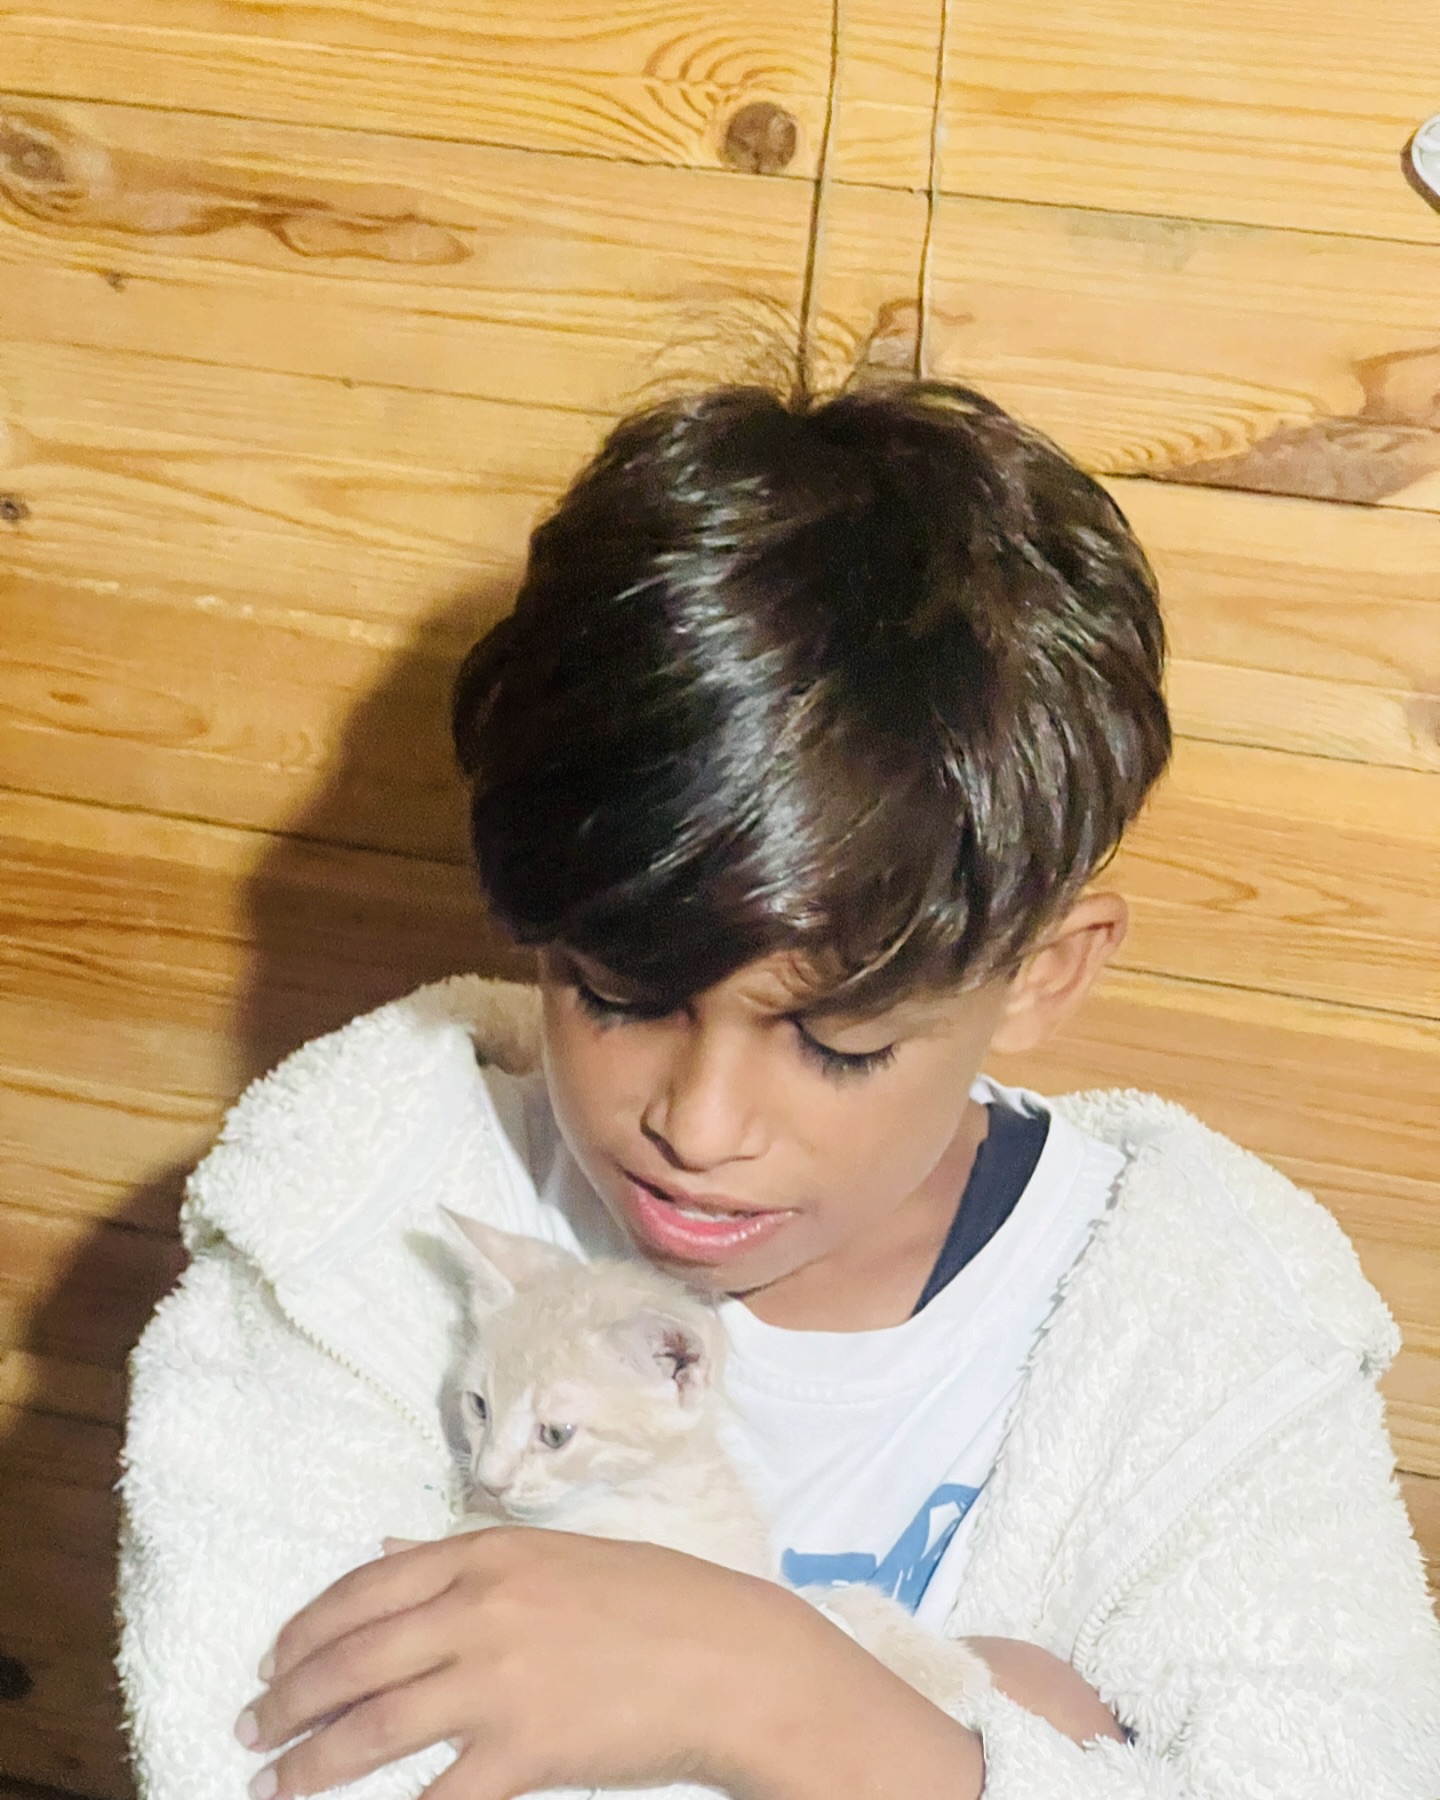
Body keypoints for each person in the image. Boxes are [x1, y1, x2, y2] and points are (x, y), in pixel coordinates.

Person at [118, 379, 1440, 1800]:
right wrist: (973, 1741)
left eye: (839, 1044)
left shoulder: (1207, 1318)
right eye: (619, 995)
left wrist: (766, 1690)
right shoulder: (356, 1214)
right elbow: (246, 1751)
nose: (697, 1128)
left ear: (1041, 976)